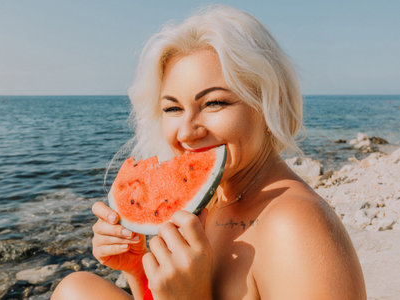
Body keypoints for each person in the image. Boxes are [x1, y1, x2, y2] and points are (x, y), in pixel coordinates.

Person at [51, 5, 366, 300]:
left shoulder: (295, 225)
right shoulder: (211, 203)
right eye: (172, 108)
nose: (187, 132)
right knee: (77, 288)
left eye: (215, 103)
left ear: (270, 107)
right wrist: (137, 269)